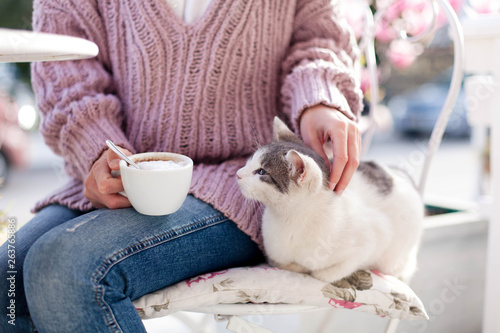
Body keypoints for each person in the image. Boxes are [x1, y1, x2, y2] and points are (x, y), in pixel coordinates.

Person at [0, 0, 362, 331]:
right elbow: (67, 72)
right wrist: (95, 148)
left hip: (242, 183)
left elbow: (319, 40)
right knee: (6, 281)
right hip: (125, 170)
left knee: (65, 268)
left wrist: (320, 99)